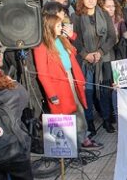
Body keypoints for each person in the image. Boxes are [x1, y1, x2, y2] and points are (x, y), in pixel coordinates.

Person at [34, 14, 98, 148]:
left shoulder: (62, 39)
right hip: (58, 84)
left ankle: (83, 137)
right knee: (65, 113)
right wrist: (52, 94)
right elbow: (42, 73)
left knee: (78, 108)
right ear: (50, 27)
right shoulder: (41, 46)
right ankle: (70, 143)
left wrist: (71, 36)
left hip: (71, 76)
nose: (60, 27)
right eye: (58, 25)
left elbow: (75, 52)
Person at [71, 0, 117, 135]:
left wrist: (100, 52)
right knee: (88, 92)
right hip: (86, 60)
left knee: (104, 91)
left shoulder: (104, 14)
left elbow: (112, 37)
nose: (91, 0)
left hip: (103, 58)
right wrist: (86, 54)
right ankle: (89, 121)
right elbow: (74, 38)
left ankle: (106, 120)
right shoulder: (76, 16)